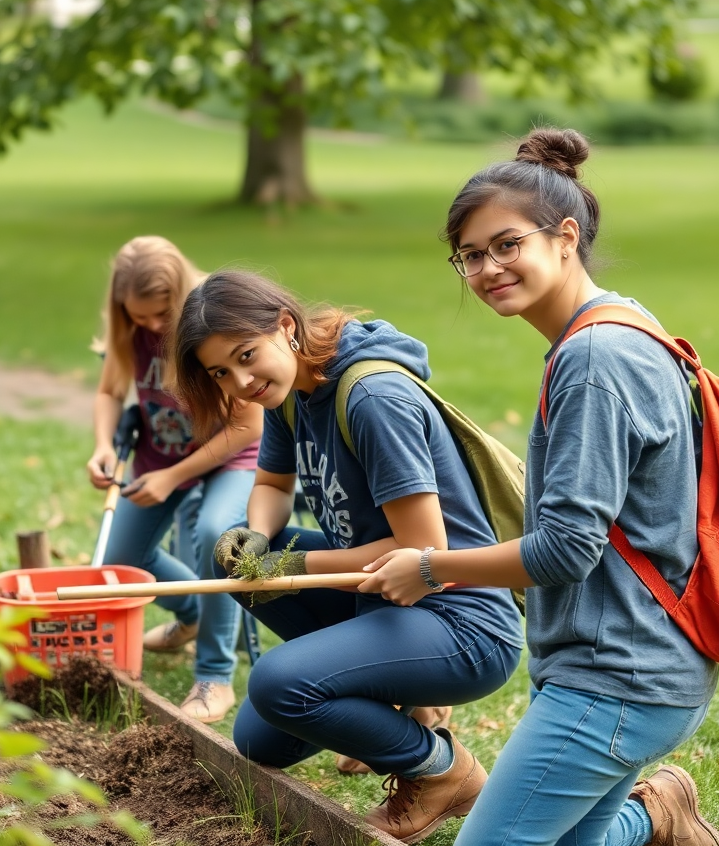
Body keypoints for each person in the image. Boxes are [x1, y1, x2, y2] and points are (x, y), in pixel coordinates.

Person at [359, 127, 719, 846]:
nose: (487, 268)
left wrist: (429, 568)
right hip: (639, 666)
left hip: (616, 678)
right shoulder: (619, 321)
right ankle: (658, 817)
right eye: (470, 255)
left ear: (565, 237)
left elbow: (564, 550)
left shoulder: (594, 359)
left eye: (506, 244)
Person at [169, 269, 524, 843]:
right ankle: (393, 699)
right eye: (220, 373)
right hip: (379, 600)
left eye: (246, 355)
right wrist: (256, 537)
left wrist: (293, 567)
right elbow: (272, 485)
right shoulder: (288, 394)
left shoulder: (371, 399)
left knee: (278, 685)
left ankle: (443, 772)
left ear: (286, 326)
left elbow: (423, 550)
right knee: (261, 737)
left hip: (458, 621)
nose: (241, 381)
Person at [85, 236, 262, 723]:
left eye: (160, 315)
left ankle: (214, 676)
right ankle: (194, 615)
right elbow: (109, 391)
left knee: (216, 533)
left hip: (230, 454)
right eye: (138, 316)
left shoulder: (211, 319)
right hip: (159, 455)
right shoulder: (131, 327)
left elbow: (249, 425)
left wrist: (173, 477)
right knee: (121, 561)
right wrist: (103, 446)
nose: (150, 326)